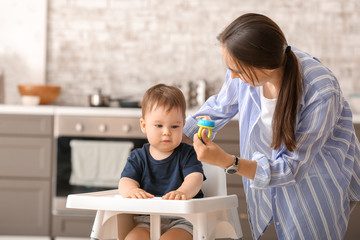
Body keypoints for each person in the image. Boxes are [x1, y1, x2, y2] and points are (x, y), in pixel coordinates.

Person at [183, 13, 360, 240]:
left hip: (314, 188)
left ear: (264, 67)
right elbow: (220, 106)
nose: (233, 76)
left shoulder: (320, 90)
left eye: (237, 70)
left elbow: (291, 168)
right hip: (265, 181)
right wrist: (176, 133)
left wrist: (229, 162)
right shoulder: (246, 72)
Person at [119, 83, 205, 240]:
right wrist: (131, 191)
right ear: (144, 126)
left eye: (174, 126)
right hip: (147, 221)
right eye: (158, 125)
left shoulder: (187, 154)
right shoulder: (138, 157)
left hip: (183, 220)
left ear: (183, 126)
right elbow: (125, 181)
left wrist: (183, 192)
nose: (166, 132)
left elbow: (195, 178)